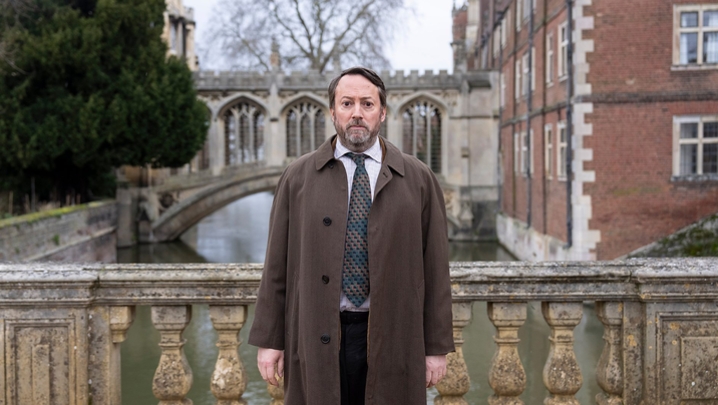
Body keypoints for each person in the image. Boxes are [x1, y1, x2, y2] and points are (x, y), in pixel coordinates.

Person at [248, 66, 454, 405]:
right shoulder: (298, 177)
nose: (356, 113)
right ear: (332, 112)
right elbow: (276, 267)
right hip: (316, 331)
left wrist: (436, 348)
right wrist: (271, 341)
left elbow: (435, 271)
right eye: (347, 103)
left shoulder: (418, 179)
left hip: (394, 334)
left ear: (382, 113)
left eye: (367, 104)